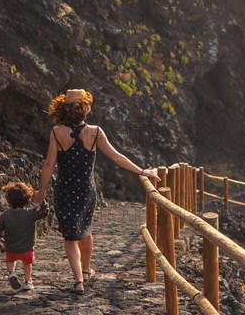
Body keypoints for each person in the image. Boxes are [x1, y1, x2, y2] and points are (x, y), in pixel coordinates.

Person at [34, 89, 160, 295]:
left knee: (69, 236)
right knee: (85, 229)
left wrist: (40, 191)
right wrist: (142, 171)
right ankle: (85, 270)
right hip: (86, 190)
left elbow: (49, 164)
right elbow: (117, 157)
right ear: (84, 109)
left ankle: (78, 281)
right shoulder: (95, 132)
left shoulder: (57, 132)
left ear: (63, 109)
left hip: (65, 189)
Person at [0, 182, 48, 291]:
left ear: (9, 199)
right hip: (27, 249)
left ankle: (11, 274)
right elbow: (44, 212)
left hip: (11, 248)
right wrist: (42, 201)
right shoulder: (30, 214)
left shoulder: (6, 214)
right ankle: (28, 281)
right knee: (27, 264)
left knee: (10, 261)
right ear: (27, 199)